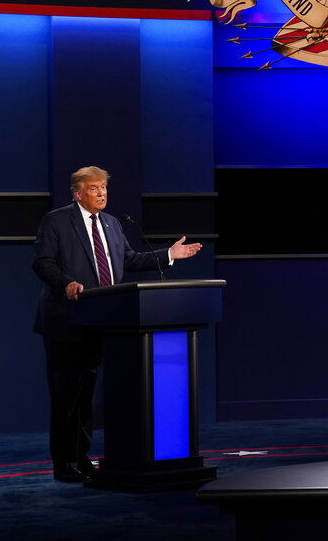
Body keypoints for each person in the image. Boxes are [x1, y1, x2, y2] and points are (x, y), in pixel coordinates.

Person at [32, 166, 202, 483]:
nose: (101, 194)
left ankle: (81, 458)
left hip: (104, 322)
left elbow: (131, 260)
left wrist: (169, 254)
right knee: (66, 396)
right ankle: (63, 462)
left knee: (86, 400)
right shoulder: (56, 221)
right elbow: (42, 262)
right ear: (78, 193)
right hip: (66, 322)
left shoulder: (111, 224)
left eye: (104, 188)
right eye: (94, 188)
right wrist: (65, 283)